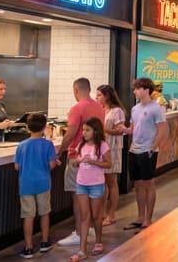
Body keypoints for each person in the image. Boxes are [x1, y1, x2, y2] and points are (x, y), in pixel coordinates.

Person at [56, 78, 106, 246]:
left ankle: (78, 232)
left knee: (78, 197)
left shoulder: (77, 108)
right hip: (95, 158)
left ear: (75, 90)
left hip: (77, 157)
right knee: (92, 196)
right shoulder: (99, 107)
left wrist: (60, 150)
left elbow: (71, 133)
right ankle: (89, 227)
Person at [122, 78, 168, 232]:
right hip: (134, 150)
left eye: (137, 89)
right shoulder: (135, 109)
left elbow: (162, 130)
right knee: (138, 185)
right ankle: (140, 217)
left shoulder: (156, 108)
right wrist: (123, 129)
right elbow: (133, 128)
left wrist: (152, 147)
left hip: (148, 151)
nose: (134, 91)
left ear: (146, 90)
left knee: (149, 185)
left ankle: (148, 219)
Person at [14, 113, 58, 258]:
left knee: (28, 215)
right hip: (43, 183)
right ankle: (45, 242)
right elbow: (51, 165)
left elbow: (17, 166)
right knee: (44, 213)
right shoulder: (48, 144)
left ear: (27, 127)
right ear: (45, 127)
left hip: (26, 185)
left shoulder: (21, 145)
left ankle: (28, 247)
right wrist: (54, 162)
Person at [72, 117, 112, 261]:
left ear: (96, 131)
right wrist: (76, 162)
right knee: (84, 216)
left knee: (96, 216)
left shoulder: (102, 145)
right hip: (81, 184)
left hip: (96, 184)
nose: (84, 133)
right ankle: (82, 250)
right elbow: (76, 161)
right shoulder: (81, 146)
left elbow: (109, 164)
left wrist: (94, 162)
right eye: (83, 130)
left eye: (87, 130)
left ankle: (98, 241)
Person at [96, 85, 126, 227]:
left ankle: (112, 214)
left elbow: (120, 131)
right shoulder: (101, 110)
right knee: (102, 182)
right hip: (101, 150)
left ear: (107, 96)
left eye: (99, 95)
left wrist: (103, 129)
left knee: (111, 182)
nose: (97, 98)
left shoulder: (117, 111)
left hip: (113, 149)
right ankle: (102, 212)